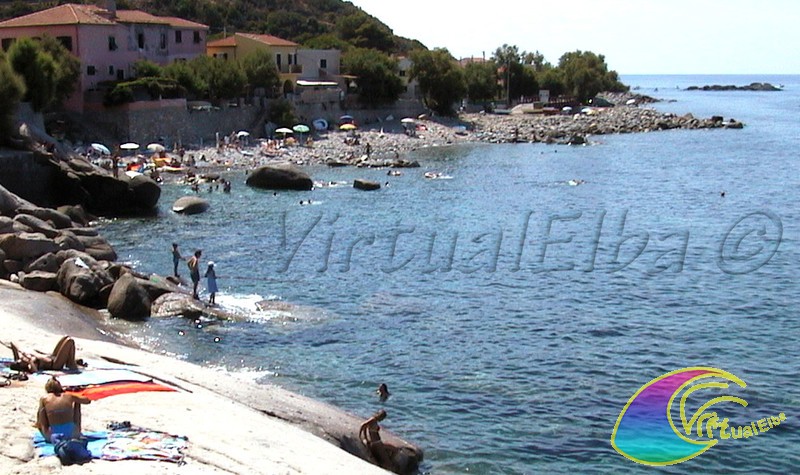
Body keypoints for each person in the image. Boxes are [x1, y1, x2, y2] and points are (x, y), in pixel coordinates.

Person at [36, 377, 91, 443]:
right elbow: (87, 401)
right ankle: (75, 430)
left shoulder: (44, 398)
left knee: (42, 411)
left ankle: (46, 430)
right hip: (73, 434)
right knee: (77, 402)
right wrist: (75, 395)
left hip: (53, 435)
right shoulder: (68, 396)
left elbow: (41, 418)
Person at [9, 337, 81, 373]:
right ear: (22, 367)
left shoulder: (22, 358)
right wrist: (30, 360)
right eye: (20, 362)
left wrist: (20, 350)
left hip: (52, 356)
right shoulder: (30, 366)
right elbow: (35, 372)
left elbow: (12, 343)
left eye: (19, 359)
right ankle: (71, 363)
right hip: (55, 364)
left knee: (66, 337)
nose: (21, 359)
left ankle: (70, 362)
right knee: (69, 341)